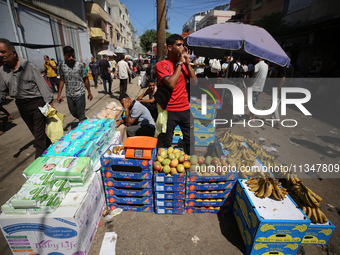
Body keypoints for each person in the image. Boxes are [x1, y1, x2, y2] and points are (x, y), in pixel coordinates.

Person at [0, 38, 54, 158]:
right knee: (36, 132)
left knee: (38, 136)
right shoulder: (2, 71)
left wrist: (50, 103)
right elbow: (1, 90)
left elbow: (42, 85)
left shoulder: (29, 66)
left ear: (13, 52)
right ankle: (52, 148)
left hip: (37, 104)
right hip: (21, 104)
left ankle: (38, 164)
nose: (1, 55)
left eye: (3, 52)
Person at [155, 34, 197, 154]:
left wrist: (187, 64)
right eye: (178, 45)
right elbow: (171, 84)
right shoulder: (161, 65)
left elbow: (195, 83)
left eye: (183, 45)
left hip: (185, 109)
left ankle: (189, 165)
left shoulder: (184, 64)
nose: (182, 48)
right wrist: (179, 63)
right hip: (169, 111)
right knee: (165, 142)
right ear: (169, 48)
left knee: (190, 140)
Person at [57, 46, 93, 122]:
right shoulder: (62, 65)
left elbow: (85, 79)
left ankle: (84, 126)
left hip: (80, 92)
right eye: (69, 56)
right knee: (73, 112)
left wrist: (89, 92)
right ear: (64, 55)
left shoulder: (80, 65)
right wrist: (59, 94)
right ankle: (84, 120)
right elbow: (61, 79)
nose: (71, 58)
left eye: (73, 56)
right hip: (69, 94)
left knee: (81, 115)